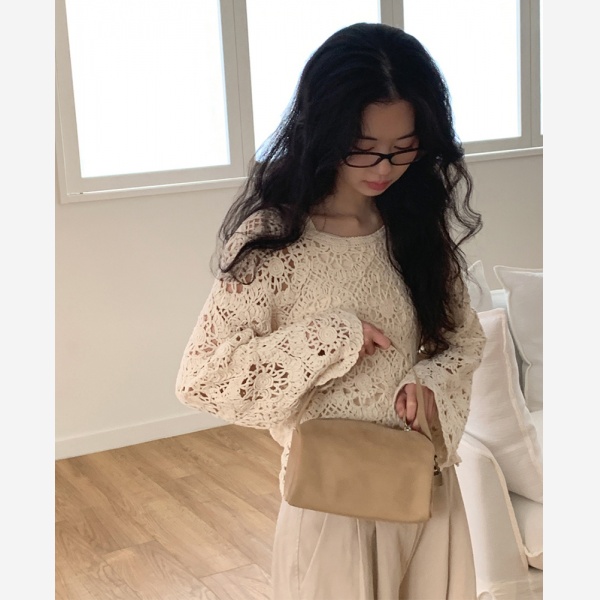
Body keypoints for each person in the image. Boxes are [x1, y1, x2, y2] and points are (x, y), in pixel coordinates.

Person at [175, 22, 486, 600]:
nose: (384, 167)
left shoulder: (415, 227)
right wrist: (329, 339)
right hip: (332, 500)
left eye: (403, 147)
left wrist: (428, 380)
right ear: (323, 131)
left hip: (422, 487)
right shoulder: (275, 241)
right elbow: (204, 377)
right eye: (363, 147)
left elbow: (463, 340)